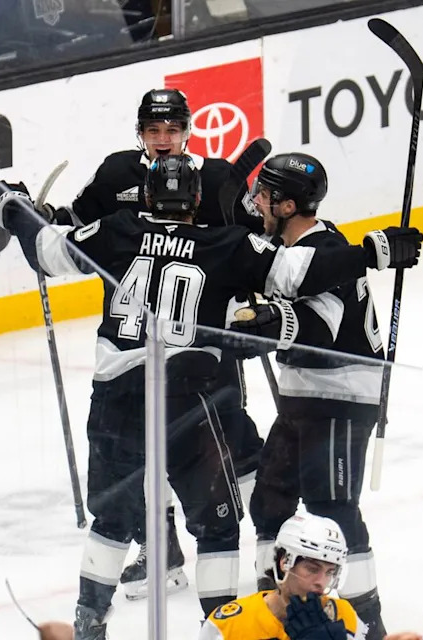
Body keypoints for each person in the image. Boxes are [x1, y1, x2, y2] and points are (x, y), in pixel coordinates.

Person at [0, 154, 422, 639]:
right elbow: (299, 273)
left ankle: (88, 620)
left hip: (116, 396)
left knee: (113, 516)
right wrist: (372, 252)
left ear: (146, 196)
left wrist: (13, 208)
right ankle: (223, 627)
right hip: (186, 398)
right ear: (198, 201)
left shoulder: (115, 229)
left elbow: (46, 250)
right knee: (217, 524)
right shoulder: (225, 244)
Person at [42, 87, 266, 601]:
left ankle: (270, 545)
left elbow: (258, 238)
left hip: (202, 344)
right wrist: (43, 217)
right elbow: (78, 223)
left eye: (172, 130)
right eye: (153, 130)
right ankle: (160, 552)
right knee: (145, 457)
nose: (163, 140)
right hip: (137, 341)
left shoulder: (215, 178)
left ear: (187, 131)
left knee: (234, 441)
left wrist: (238, 215)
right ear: (140, 133)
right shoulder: (116, 173)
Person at [226, 153, 389, 639]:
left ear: (288, 205)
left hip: (342, 396)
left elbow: (322, 330)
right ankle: (272, 605)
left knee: (333, 509)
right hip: (305, 395)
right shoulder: (289, 245)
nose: (256, 201)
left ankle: (369, 623)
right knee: (270, 501)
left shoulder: (326, 249)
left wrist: (271, 323)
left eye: (264, 194)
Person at [198, 513, 423, 640]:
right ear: (284, 562)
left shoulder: (342, 615)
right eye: (312, 569)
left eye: (330, 572)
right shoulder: (229, 625)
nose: (321, 583)